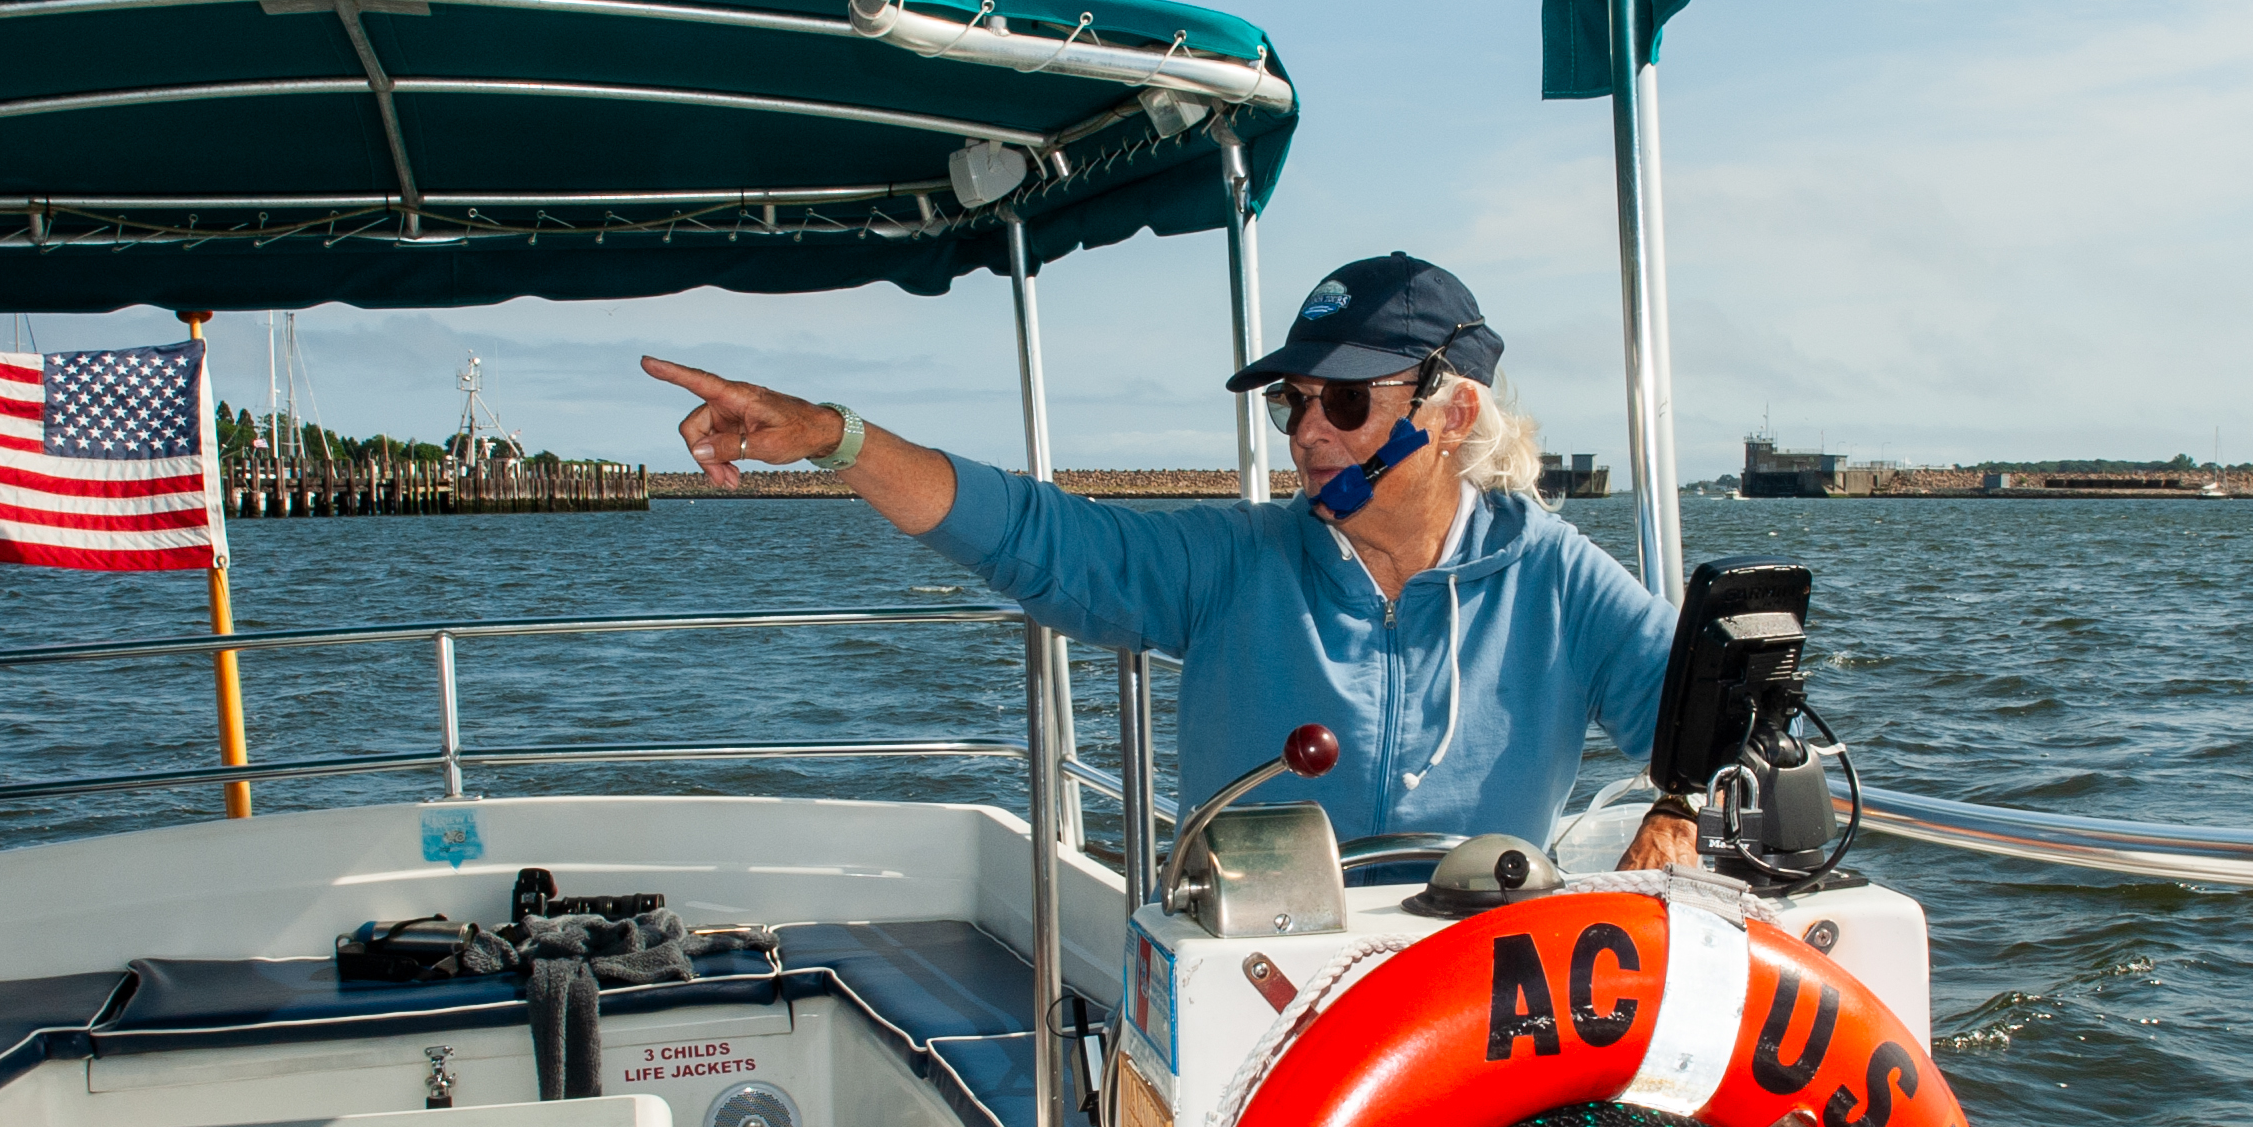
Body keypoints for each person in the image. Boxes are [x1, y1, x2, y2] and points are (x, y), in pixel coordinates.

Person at [648, 253, 1698, 865]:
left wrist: (1680, 809)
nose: (1305, 434)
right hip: (1262, 978)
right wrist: (840, 439)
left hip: (1472, 988)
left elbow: (1705, 720)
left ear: (1453, 411)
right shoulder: (1230, 563)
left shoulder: (1555, 578)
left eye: (1342, 401)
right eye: (1293, 402)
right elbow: (1033, 534)